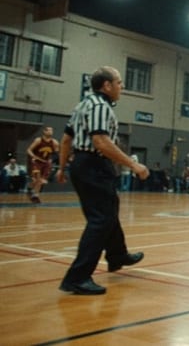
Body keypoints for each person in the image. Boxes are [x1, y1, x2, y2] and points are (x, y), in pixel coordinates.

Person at [56, 66, 149, 295]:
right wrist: (133, 164)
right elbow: (101, 142)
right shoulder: (100, 106)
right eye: (119, 83)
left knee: (108, 211)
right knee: (100, 220)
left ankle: (117, 255)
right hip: (93, 165)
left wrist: (62, 167)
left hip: (83, 165)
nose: (122, 87)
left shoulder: (82, 105)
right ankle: (77, 278)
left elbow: (66, 139)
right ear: (106, 85)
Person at [26, 126, 59, 203]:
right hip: (36, 161)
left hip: (46, 162)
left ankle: (32, 192)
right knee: (37, 179)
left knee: (40, 181)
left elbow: (56, 154)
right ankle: (34, 194)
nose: (51, 132)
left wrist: (51, 160)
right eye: (49, 130)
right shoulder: (38, 140)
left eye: (52, 130)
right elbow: (29, 150)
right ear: (44, 131)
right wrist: (34, 156)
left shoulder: (55, 142)